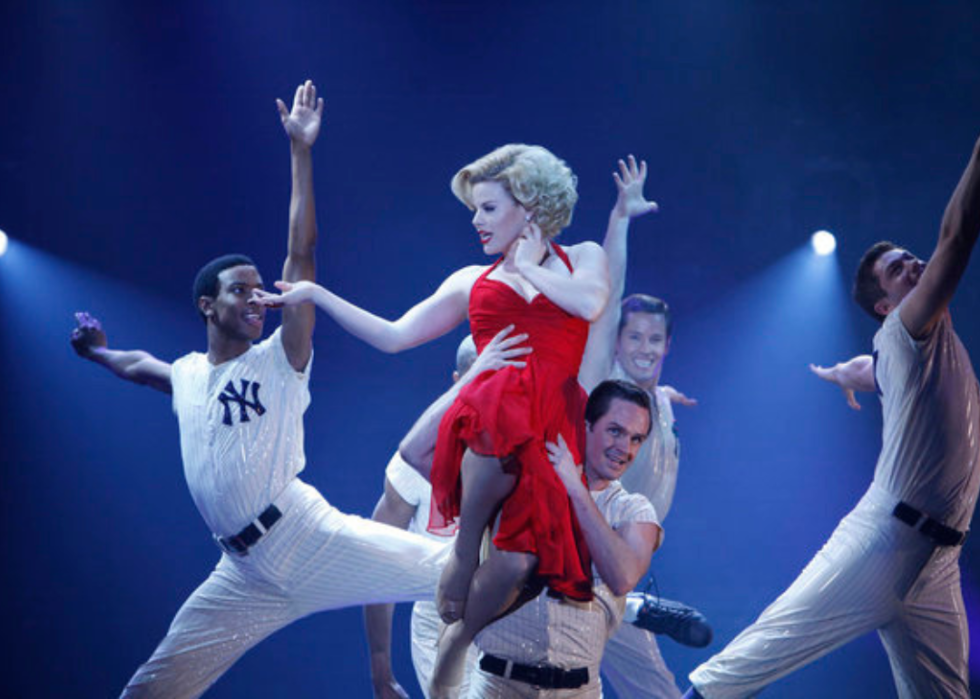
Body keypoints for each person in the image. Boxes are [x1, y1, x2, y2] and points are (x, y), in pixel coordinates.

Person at [70, 81, 449, 699]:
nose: (256, 298)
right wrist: (98, 352)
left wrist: (300, 152)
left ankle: (623, 606)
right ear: (206, 305)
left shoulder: (281, 358)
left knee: (455, 570)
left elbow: (302, 253)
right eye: (239, 291)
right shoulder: (190, 374)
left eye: (258, 289)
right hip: (241, 574)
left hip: (306, 537)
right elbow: (141, 366)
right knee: (148, 691)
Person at [252, 145, 612, 696]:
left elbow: (590, 305)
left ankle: (460, 635)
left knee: (520, 561)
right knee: (498, 399)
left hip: (552, 427)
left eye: (488, 208)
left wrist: (526, 271)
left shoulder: (582, 258)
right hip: (492, 415)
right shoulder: (472, 280)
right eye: (476, 209)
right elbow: (395, 336)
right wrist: (317, 295)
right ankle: (466, 544)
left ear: (530, 207)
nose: (476, 220)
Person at [684, 133, 980, 698]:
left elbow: (883, 375)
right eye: (899, 269)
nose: (914, 263)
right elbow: (957, 235)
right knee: (753, 659)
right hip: (884, 539)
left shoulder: (939, 352)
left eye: (907, 257)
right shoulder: (903, 328)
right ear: (886, 306)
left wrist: (851, 374)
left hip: (938, 561)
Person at [401, 378, 662, 698]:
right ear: (587, 425)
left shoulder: (632, 509)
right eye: (615, 431)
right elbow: (415, 451)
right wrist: (475, 376)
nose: (625, 448)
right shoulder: (520, 486)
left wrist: (575, 487)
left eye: (637, 439)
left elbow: (621, 577)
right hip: (498, 684)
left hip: (578, 690)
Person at [575, 155, 708, 699]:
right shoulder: (604, 383)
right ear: (618, 343)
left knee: (655, 692)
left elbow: (652, 402)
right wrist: (620, 219)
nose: (644, 349)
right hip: (582, 560)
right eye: (634, 339)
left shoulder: (659, 401)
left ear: (668, 346)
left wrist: (666, 397)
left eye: (655, 340)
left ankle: (633, 607)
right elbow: (608, 299)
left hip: (620, 568)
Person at [363, 332, 529, 699]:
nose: (492, 388)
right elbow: (377, 564)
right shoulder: (420, 458)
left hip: (517, 613)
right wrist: (381, 668)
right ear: (460, 382)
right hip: (442, 615)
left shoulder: (530, 448)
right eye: (481, 374)